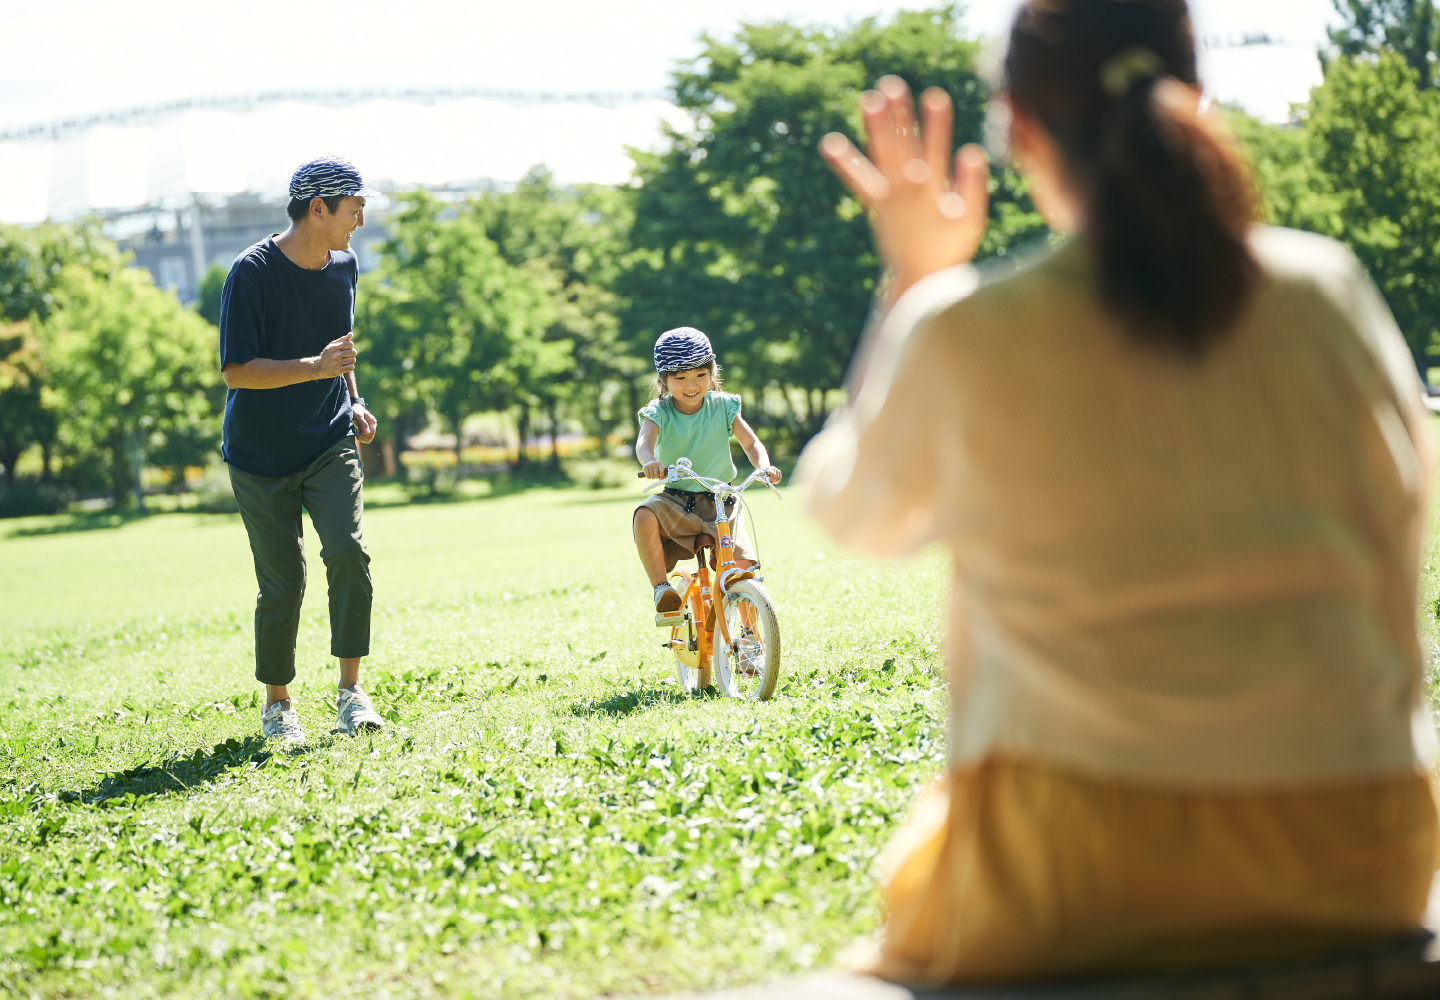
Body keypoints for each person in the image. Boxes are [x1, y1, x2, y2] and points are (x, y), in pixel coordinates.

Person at [799, 0, 1439, 985]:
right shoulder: (1328, 289)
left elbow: (852, 513)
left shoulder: (968, 328)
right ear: (1196, 92)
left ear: (1018, 129)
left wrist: (913, 285)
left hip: (1073, 870)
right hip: (1364, 846)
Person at [219, 156, 389, 746]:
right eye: (354, 209)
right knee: (283, 582)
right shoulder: (251, 272)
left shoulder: (344, 266)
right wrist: (315, 367)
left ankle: (351, 695)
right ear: (319, 208)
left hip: (328, 438)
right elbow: (237, 371)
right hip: (259, 455)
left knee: (348, 551)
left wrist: (354, 398)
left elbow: (339, 350)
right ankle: (279, 706)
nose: (361, 220)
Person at [635, 327, 782, 611]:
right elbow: (644, 442)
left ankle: (750, 630)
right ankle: (662, 589)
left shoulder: (723, 406)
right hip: (676, 500)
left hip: (721, 500)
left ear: (712, 373)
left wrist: (764, 467)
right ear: (663, 380)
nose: (692, 385)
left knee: (742, 569)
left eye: (701, 375)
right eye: (680, 378)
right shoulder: (659, 412)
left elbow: (751, 442)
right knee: (644, 514)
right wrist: (649, 461)